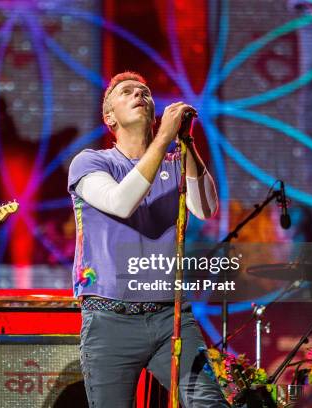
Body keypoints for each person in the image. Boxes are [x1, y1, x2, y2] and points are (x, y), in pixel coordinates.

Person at [68, 72, 228, 407]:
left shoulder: (175, 163)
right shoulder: (92, 161)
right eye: (127, 92)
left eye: (145, 91)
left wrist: (186, 143)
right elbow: (120, 203)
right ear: (110, 117)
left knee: (208, 403)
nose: (139, 94)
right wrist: (162, 140)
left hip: (170, 317)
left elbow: (207, 208)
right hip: (109, 320)